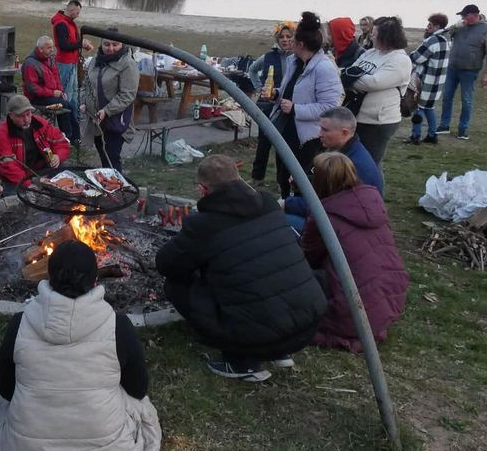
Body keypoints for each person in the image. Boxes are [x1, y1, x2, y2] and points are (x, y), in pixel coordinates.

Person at [0, 240, 162, 451]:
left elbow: (6, 391)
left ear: (48, 277)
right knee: (135, 405)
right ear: (95, 280)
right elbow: (138, 390)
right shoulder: (118, 326)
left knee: (5, 406)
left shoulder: (20, 323)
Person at [155, 155, 327, 382]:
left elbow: (166, 264)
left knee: (175, 285)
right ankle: (280, 351)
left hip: (260, 337)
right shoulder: (268, 203)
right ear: (238, 178)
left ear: (202, 189)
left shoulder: (203, 225)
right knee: (263, 271)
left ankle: (241, 363)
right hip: (308, 325)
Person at [301, 152, 409, 352]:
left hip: (354, 314)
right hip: (390, 298)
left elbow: (308, 259)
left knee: (293, 274)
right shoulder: (372, 205)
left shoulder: (324, 217)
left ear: (320, 181)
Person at [268, 12, 342, 201]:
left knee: (300, 180)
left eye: (293, 39)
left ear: (300, 44)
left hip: (307, 138)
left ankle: (301, 210)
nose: (289, 42)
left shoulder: (324, 68)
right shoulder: (295, 62)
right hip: (287, 129)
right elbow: (293, 91)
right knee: (283, 175)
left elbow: (330, 106)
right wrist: (276, 94)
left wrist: (296, 109)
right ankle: (286, 203)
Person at [282, 106, 384, 229]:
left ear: (345, 133)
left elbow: (330, 207)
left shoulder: (354, 166)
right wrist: (305, 180)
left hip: (347, 229)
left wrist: (287, 204)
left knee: (279, 221)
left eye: (325, 130)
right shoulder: (346, 151)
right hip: (343, 218)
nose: (320, 134)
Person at [341, 16, 412, 166]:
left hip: (378, 122)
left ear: (386, 37)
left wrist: (350, 78)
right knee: (351, 162)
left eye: (375, 33)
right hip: (357, 116)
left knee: (369, 164)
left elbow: (373, 83)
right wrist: (349, 75)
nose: (371, 36)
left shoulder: (400, 60)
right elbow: (350, 70)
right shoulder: (371, 53)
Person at [79, 34, 139, 173]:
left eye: (115, 44)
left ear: (122, 45)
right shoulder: (95, 61)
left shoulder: (128, 64)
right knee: (103, 155)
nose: (110, 48)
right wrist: (84, 102)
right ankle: (106, 182)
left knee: (111, 157)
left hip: (116, 120)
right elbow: (86, 85)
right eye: (106, 44)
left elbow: (127, 94)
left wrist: (107, 110)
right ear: (101, 44)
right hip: (96, 120)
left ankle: (116, 183)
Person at [437, 4, 487, 141]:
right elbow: (444, 35)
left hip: (470, 70)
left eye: (465, 15)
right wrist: (456, 26)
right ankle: (444, 125)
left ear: (475, 15)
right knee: (447, 96)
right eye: (462, 16)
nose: (463, 18)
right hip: (452, 67)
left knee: (466, 100)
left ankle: (463, 129)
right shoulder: (460, 26)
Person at [247, 22, 295, 185]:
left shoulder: (297, 58)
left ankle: (284, 179)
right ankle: (257, 177)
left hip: (287, 105)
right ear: (277, 39)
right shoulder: (268, 57)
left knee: (285, 144)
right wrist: (259, 88)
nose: (285, 40)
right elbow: (252, 70)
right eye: (281, 37)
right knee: (264, 141)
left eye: (288, 36)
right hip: (268, 104)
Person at [0, 94, 69, 192]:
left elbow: (60, 141)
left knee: (63, 171)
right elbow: (9, 167)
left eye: (28, 114)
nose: (26, 120)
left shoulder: (39, 123)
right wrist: (29, 184)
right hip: (16, 178)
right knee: (22, 197)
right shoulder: (2, 134)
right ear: (11, 115)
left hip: (41, 170)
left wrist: (58, 156)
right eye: (21, 116)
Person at [21, 35, 80, 141]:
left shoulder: (50, 58)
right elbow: (33, 88)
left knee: (69, 106)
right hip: (36, 98)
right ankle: (68, 137)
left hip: (50, 94)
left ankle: (75, 137)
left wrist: (60, 91)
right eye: (49, 47)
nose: (52, 50)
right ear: (40, 49)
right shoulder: (30, 64)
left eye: (52, 47)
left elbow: (56, 76)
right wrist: (52, 93)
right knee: (64, 106)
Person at [405, 13, 451, 145]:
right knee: (429, 107)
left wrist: (411, 55)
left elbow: (417, 57)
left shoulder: (433, 41)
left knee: (418, 107)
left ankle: (416, 135)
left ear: (437, 26)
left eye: (430, 25)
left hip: (425, 80)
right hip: (438, 81)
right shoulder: (446, 40)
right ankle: (432, 134)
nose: (427, 27)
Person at [49, 0, 94, 106]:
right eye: (77, 12)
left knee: (74, 91)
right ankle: (65, 112)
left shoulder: (68, 23)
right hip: (65, 63)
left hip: (72, 62)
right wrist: (80, 44)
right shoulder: (61, 24)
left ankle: (73, 113)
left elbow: (72, 42)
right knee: (66, 91)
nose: (78, 15)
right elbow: (64, 46)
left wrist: (82, 44)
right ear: (72, 10)